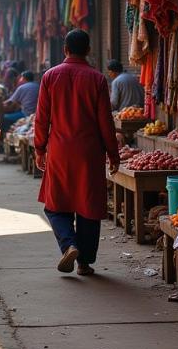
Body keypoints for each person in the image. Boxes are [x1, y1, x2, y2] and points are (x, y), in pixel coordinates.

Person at [34, 29, 120, 276]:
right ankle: (85, 262)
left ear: (65, 49)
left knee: (55, 205)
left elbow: (42, 119)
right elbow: (106, 121)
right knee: (88, 205)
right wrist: (113, 155)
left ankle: (69, 244)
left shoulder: (50, 77)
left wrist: (40, 148)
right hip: (89, 152)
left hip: (60, 150)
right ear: (89, 50)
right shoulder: (97, 79)